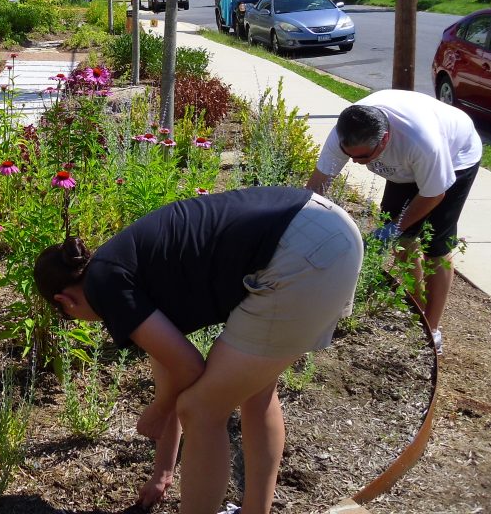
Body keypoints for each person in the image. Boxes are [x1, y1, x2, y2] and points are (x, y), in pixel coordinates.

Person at [34, 187, 363, 514]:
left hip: (301, 253)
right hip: (328, 227)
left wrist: (158, 411)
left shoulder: (104, 286)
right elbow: (172, 371)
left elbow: (190, 369)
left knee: (201, 409)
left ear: (65, 302)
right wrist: (163, 471)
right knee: (256, 391)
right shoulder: (125, 265)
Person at [306, 90, 481, 352]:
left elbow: (434, 194)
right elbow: (317, 186)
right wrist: (300, 223)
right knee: (403, 240)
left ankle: (431, 331)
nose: (354, 161)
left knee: (436, 245)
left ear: (384, 139)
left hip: (456, 158)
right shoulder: (346, 131)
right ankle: (418, 308)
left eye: (363, 157)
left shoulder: (422, 143)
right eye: (348, 154)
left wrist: (394, 226)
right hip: (403, 167)